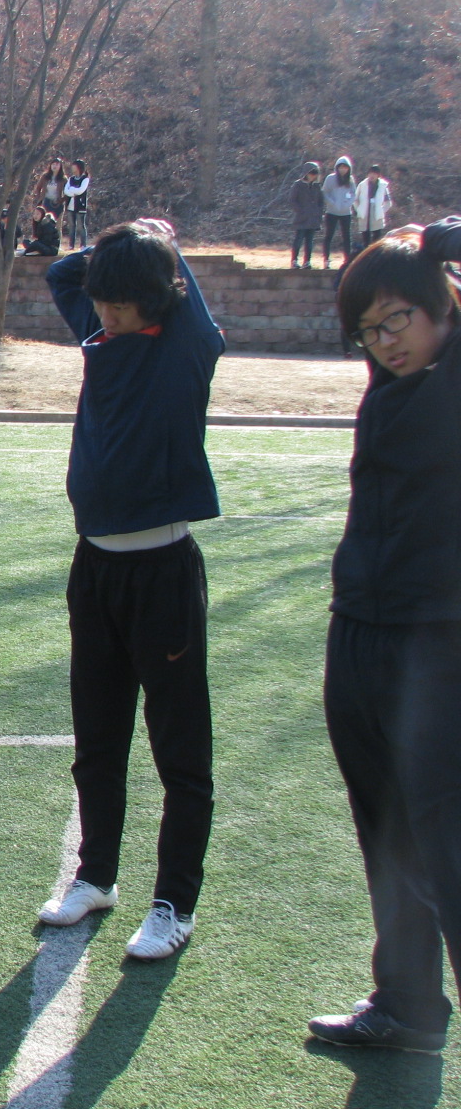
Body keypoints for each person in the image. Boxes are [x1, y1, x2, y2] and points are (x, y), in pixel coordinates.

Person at [36, 220, 224, 963]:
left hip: (163, 574)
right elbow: (63, 276)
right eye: (103, 301)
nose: (105, 315)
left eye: (120, 303)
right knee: (98, 739)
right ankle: (96, 877)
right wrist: (114, 251)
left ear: (158, 294)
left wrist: (156, 241)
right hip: (96, 570)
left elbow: (185, 302)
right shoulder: (100, 329)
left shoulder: (184, 346)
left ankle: (174, 903)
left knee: (180, 751)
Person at [306, 219, 461, 1055]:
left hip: (439, 642)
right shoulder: (389, 386)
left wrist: (439, 240)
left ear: (443, 305)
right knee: (387, 827)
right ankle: (408, 1007)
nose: (387, 339)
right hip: (360, 631)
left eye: (399, 316)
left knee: (448, 838)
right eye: (369, 328)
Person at [322, 157, 357, 269]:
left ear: (349, 169)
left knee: (346, 236)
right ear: (337, 168)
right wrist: (332, 203)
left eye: (345, 167)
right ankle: (326, 259)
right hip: (331, 212)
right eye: (341, 167)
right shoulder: (330, 178)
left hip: (346, 213)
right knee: (329, 235)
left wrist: (347, 204)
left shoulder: (350, 180)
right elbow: (325, 193)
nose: (343, 169)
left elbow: (353, 194)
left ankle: (347, 260)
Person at [290, 162, 325, 269]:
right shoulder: (298, 185)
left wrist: (318, 212)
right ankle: (294, 261)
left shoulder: (317, 186)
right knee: (298, 240)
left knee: (309, 241)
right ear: (306, 173)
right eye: (311, 173)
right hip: (301, 218)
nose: (313, 176)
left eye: (315, 173)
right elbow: (292, 200)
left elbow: (321, 201)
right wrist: (300, 211)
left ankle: (307, 261)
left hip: (313, 218)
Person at [355, 165, 393, 253]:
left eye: (375, 174)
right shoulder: (362, 185)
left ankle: (375, 257)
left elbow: (388, 202)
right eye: (370, 173)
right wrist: (359, 209)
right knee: (366, 241)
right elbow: (355, 200)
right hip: (364, 216)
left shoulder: (383, 186)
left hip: (377, 217)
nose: (372, 175)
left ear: (378, 175)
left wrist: (381, 211)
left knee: (376, 241)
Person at [64, 160, 91, 250]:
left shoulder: (85, 179)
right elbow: (66, 191)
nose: (72, 168)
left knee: (81, 226)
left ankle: (83, 245)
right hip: (70, 206)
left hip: (80, 206)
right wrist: (73, 192)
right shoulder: (71, 179)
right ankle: (71, 245)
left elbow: (80, 191)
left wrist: (72, 189)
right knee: (72, 226)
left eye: (74, 166)